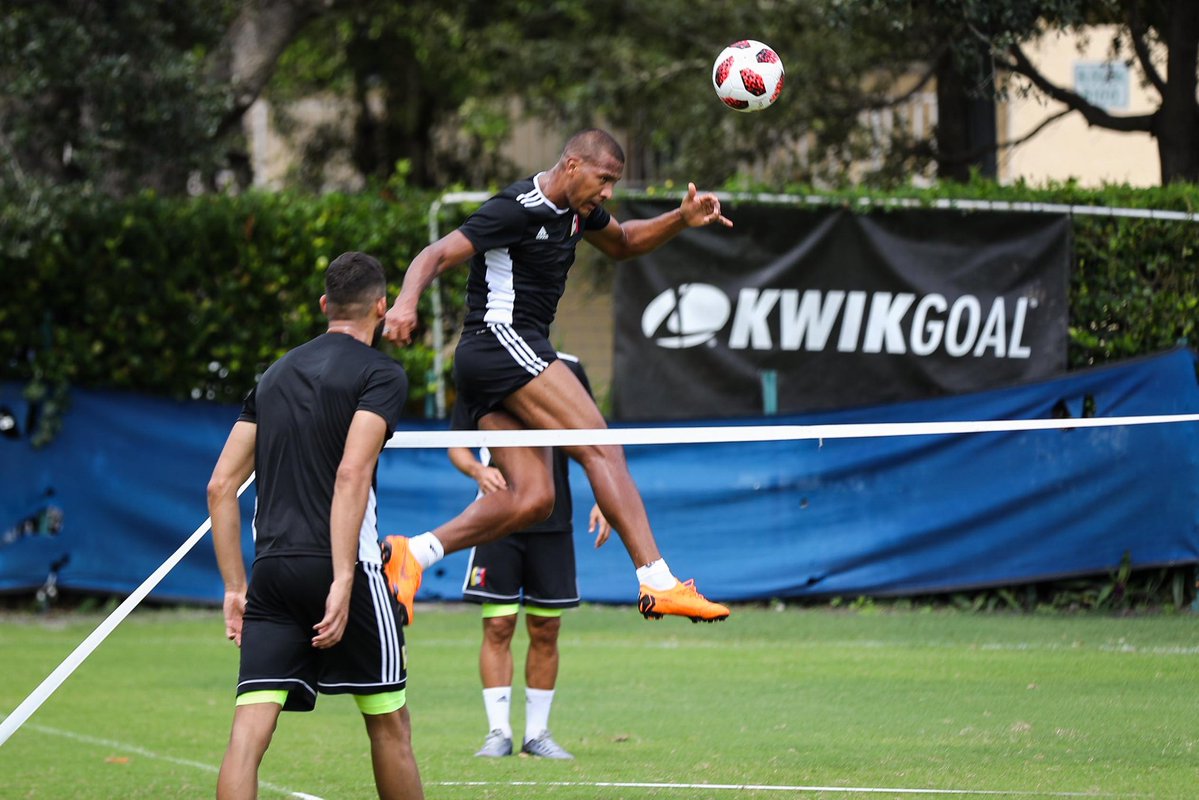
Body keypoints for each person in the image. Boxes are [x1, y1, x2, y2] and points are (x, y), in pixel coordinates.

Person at [380, 128, 732, 626]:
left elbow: (626, 242)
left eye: (613, 183)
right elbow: (434, 254)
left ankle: (413, 553)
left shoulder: (580, 212)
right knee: (599, 445)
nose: (608, 192)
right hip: (499, 341)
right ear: (572, 166)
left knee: (534, 499)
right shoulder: (516, 207)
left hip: (503, 358)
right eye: (604, 179)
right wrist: (404, 303)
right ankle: (657, 580)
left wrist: (681, 217)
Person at [207, 251, 424, 800]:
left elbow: (219, 488)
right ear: (381, 307)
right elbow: (352, 473)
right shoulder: (382, 375)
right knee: (389, 727)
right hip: (344, 567)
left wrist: (236, 587)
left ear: (325, 305)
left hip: (273, 575)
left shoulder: (274, 375)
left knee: (248, 736)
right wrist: (345, 578)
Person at [451, 353, 610, 760]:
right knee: (499, 625)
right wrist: (477, 471)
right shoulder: (483, 363)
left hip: (553, 521)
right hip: (499, 518)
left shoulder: (569, 368)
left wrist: (606, 499)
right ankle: (498, 733)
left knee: (546, 628)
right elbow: (457, 444)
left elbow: (594, 439)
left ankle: (537, 735)